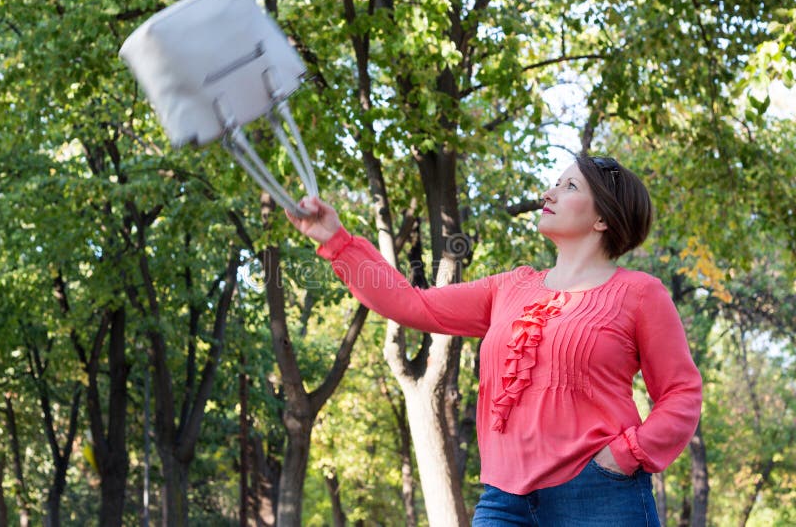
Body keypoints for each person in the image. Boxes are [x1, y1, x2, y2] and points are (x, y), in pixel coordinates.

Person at [286, 155, 702, 526]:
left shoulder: (640, 294)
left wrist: (624, 455)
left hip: (598, 493)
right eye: (555, 182)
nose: (550, 192)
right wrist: (335, 239)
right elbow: (410, 303)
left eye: (569, 186)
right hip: (504, 497)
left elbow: (681, 394)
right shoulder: (511, 287)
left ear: (603, 219)